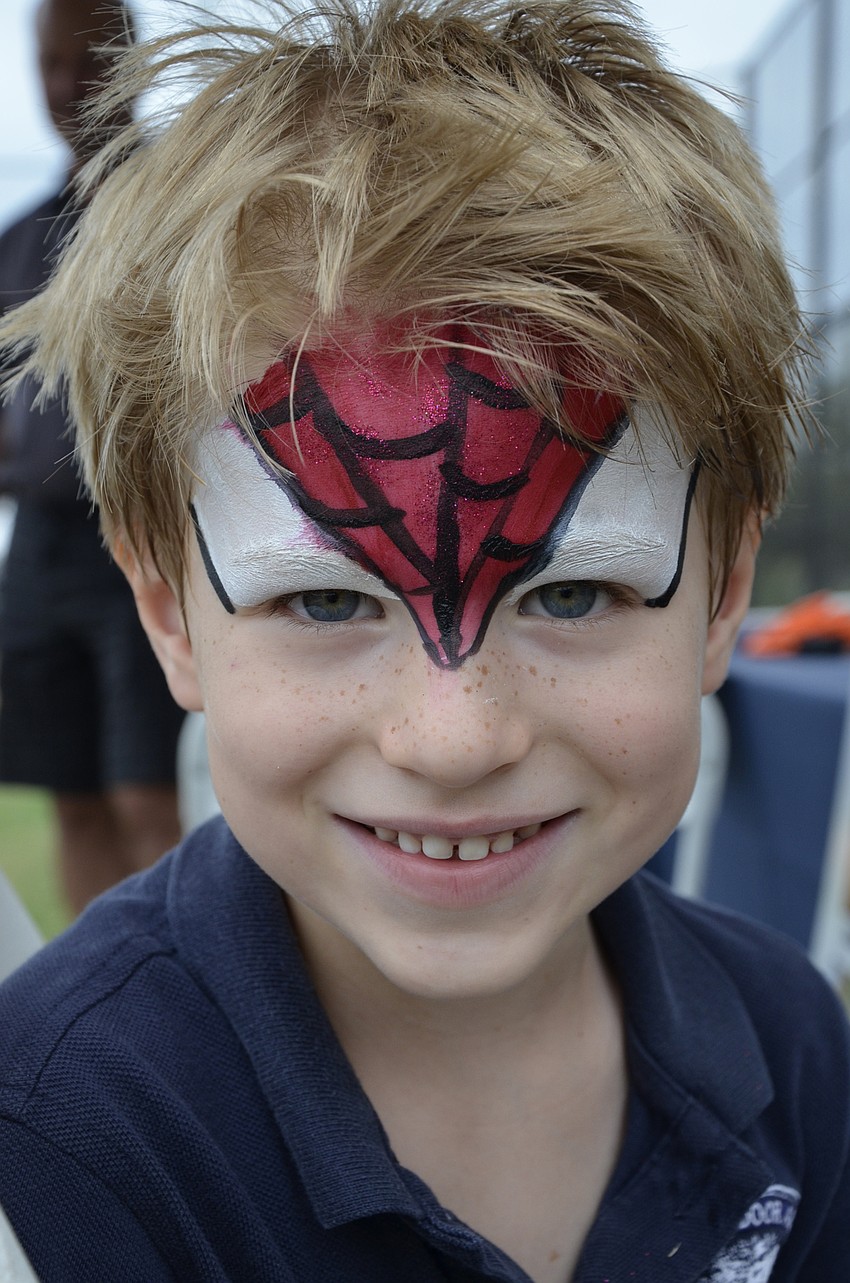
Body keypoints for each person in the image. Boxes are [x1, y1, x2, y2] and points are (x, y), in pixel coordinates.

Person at [0, 0, 848, 1278]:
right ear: (170, 610)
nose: (454, 742)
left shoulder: (792, 1040)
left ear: (722, 596)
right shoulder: (59, 1149)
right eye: (326, 601)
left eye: (574, 594)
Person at [0, 0, 184, 915]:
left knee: (149, 796)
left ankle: (189, 982)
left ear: (132, 62)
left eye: (88, 61)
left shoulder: (183, 213)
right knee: (69, 795)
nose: (68, 86)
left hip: (142, 535)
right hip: (38, 545)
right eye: (50, 65)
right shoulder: (18, 238)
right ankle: (99, 984)